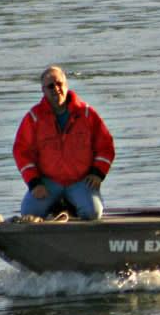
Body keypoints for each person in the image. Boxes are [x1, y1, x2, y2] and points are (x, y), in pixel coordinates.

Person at [13, 66, 115, 220]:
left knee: (92, 214)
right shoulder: (33, 118)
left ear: (66, 85)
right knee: (29, 214)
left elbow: (106, 146)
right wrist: (34, 183)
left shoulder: (87, 114)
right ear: (43, 90)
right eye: (50, 86)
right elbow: (21, 151)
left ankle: (71, 206)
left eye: (59, 84)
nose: (56, 89)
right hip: (49, 182)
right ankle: (57, 205)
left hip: (81, 181)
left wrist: (97, 174)